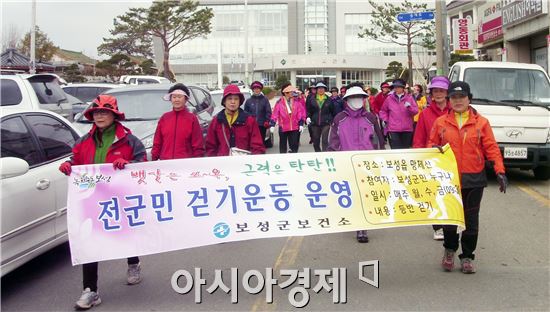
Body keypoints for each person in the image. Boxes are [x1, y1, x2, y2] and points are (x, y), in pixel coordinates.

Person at [58, 95, 147, 310]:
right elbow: (76, 160)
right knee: (89, 241)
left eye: (104, 112)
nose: (99, 116)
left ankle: (133, 263)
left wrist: (129, 164)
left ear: (114, 116)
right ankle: (90, 290)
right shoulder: (84, 141)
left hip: (120, 198)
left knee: (126, 233)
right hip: (92, 199)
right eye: (96, 112)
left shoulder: (129, 140)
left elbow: (142, 162)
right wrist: (69, 165)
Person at [429, 81, 507, 274]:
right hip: (448, 179)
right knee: (450, 220)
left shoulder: (482, 123)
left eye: (461, 97)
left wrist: (500, 170)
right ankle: (449, 251)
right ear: (449, 101)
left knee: (471, 220)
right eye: (453, 98)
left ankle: (467, 257)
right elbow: (430, 145)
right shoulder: (440, 123)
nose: (458, 101)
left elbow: (491, 148)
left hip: (474, 179)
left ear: (469, 99)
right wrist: (433, 151)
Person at [328, 86, 384, 243]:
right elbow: (333, 140)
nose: (357, 100)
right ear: (346, 100)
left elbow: (378, 139)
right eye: (353, 98)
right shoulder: (339, 118)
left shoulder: (371, 117)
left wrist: (379, 158)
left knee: (364, 194)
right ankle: (354, 220)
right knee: (352, 194)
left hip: (367, 162)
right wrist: (334, 158)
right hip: (347, 162)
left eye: (360, 97)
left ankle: (362, 227)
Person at [412, 76, 451, 240]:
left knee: (450, 192)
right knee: (434, 193)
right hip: (432, 158)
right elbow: (419, 138)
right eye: (436, 91)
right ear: (431, 94)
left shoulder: (455, 111)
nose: (439, 93)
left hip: (452, 158)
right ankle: (438, 226)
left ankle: (451, 222)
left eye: (442, 90)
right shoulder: (425, 114)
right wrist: (418, 156)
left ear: (447, 92)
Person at [205, 84, 266, 156]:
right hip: (222, 164)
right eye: (230, 98)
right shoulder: (216, 121)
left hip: (244, 164)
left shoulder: (249, 120)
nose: (233, 102)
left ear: (240, 101)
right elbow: (210, 147)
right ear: (224, 101)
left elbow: (257, 146)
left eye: (236, 99)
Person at [151, 83, 204, 160]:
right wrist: (154, 158)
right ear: (170, 99)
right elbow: (157, 142)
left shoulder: (192, 118)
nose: (176, 100)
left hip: (185, 162)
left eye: (179, 97)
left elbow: (197, 144)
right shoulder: (164, 118)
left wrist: (197, 160)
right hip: (166, 161)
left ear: (185, 99)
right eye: (174, 97)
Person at [379, 78, 418, 149]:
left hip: (407, 128)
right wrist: (386, 120)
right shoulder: (389, 98)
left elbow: (415, 111)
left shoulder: (409, 98)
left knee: (405, 150)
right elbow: (383, 111)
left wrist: (409, 107)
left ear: (403, 88)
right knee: (395, 150)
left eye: (398, 87)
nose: (396, 88)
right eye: (395, 87)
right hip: (393, 129)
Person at [270, 83, 306, 153]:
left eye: (293, 92)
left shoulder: (296, 102)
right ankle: (283, 161)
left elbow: (300, 113)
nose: (292, 93)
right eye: (291, 92)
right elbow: (275, 114)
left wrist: (301, 123)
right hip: (283, 127)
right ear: (286, 93)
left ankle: (293, 159)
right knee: (283, 147)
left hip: (294, 127)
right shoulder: (279, 103)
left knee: (294, 146)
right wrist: (272, 124)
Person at [306, 82, 336, 152]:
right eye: (319, 88)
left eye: (322, 88)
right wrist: (308, 117)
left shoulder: (329, 100)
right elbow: (308, 110)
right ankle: (318, 153)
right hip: (315, 123)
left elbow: (333, 111)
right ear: (316, 89)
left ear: (325, 89)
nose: (320, 90)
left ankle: (324, 155)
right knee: (316, 141)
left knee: (325, 140)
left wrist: (331, 121)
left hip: (326, 123)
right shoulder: (312, 99)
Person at [243, 81, 273, 148]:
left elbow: (268, 111)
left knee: (261, 142)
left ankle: (261, 153)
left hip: (262, 125)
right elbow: (245, 113)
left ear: (260, 89)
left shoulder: (265, 100)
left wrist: (267, 121)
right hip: (251, 125)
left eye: (258, 88)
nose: (256, 90)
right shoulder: (248, 101)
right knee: (252, 141)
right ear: (253, 89)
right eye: (255, 88)